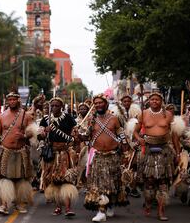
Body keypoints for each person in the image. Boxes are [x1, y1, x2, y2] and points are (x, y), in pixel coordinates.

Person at [0, 90, 35, 215]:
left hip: (21, 151)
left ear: (18, 100)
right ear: (8, 101)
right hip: (5, 151)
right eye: (10, 100)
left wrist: (24, 135)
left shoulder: (26, 116)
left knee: (20, 179)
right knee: (3, 178)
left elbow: (32, 132)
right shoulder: (1, 116)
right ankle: (3, 205)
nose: (12, 101)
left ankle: (19, 203)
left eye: (14, 99)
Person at [81, 94, 129, 222]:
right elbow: (86, 136)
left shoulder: (114, 118)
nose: (98, 105)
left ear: (105, 104)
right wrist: (78, 134)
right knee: (99, 185)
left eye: (100, 103)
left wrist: (124, 145)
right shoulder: (91, 120)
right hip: (98, 157)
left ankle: (110, 205)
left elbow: (120, 133)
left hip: (113, 156)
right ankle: (101, 211)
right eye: (95, 103)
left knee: (112, 183)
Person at [133, 92, 180, 221]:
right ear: (149, 101)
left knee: (163, 182)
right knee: (149, 181)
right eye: (152, 99)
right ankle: (148, 202)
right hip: (148, 149)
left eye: (157, 100)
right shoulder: (143, 113)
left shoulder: (169, 115)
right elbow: (135, 132)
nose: (154, 101)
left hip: (164, 150)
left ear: (161, 101)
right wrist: (140, 139)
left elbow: (175, 135)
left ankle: (161, 211)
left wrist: (178, 152)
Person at [38, 97, 78, 217]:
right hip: (51, 153)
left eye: (57, 105)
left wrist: (72, 140)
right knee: (53, 180)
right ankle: (57, 207)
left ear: (61, 106)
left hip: (64, 153)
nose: (54, 108)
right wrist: (45, 131)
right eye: (53, 105)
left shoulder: (68, 118)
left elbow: (75, 136)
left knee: (66, 179)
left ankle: (68, 207)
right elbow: (39, 137)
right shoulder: (45, 120)